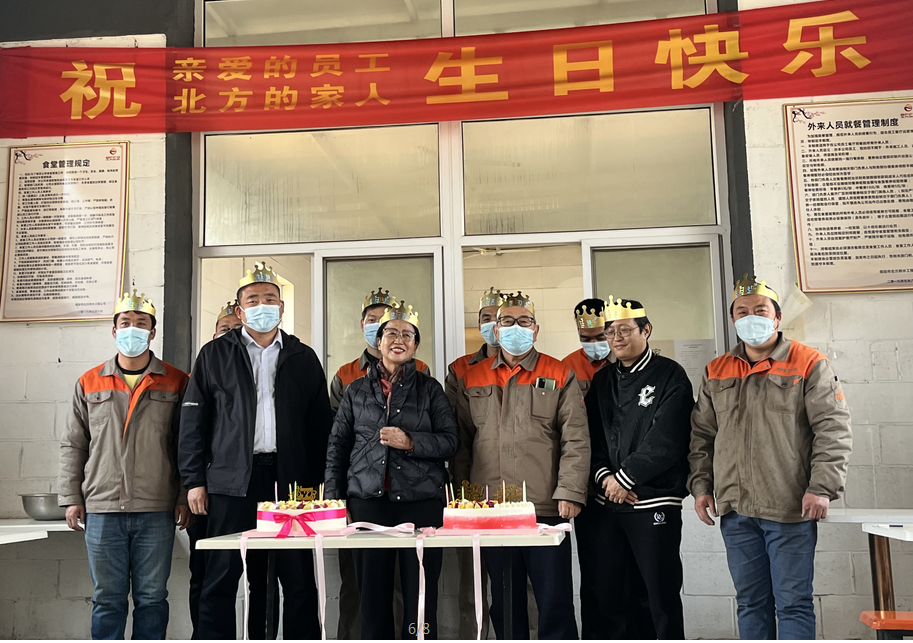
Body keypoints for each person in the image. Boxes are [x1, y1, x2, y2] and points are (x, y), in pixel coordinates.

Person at [689, 275, 852, 640]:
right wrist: (701, 487)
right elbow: (702, 436)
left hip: (789, 506)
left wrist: (822, 487)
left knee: (793, 603)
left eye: (760, 310)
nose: (751, 317)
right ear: (733, 319)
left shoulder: (808, 363)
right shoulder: (716, 370)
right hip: (736, 509)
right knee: (750, 602)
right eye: (742, 311)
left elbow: (833, 430)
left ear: (777, 317)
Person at [179, 262, 333, 640]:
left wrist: (321, 484)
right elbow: (193, 424)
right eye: (253, 300)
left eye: (269, 299)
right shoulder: (214, 355)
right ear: (239, 309)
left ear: (282, 307)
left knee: (297, 579)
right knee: (221, 576)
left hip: (291, 485)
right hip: (232, 482)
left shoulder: (303, 357)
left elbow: (320, 428)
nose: (262, 305)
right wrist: (194, 480)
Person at [454, 291, 589, 640]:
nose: (516, 327)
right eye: (508, 321)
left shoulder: (559, 373)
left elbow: (575, 438)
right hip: (490, 507)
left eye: (524, 321)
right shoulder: (472, 377)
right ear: (496, 331)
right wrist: (463, 498)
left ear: (536, 329)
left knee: (554, 599)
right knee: (504, 601)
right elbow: (461, 443)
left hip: (544, 506)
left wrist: (570, 491)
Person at [58, 290, 191, 640]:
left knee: (152, 598)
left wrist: (182, 496)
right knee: (107, 598)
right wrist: (71, 497)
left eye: (141, 323)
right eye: (126, 323)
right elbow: (74, 444)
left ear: (153, 332)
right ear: (114, 331)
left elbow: (186, 445)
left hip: (156, 508)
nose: (133, 329)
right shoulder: (89, 382)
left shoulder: (176, 381)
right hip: (102, 509)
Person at [325, 301, 458, 640]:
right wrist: (334, 499)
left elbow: (450, 441)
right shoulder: (355, 390)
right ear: (378, 340)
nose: (399, 340)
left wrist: (411, 442)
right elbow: (337, 446)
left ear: (416, 345)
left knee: (420, 598)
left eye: (407, 335)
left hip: (421, 502)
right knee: (372, 599)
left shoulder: (430, 389)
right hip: (367, 503)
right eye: (391, 333)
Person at [581, 297, 694, 639]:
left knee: (657, 595)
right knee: (608, 594)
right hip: (606, 503)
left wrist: (626, 478)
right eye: (610, 332)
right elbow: (591, 437)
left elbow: (667, 439)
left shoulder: (670, 375)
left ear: (646, 330)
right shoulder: (602, 380)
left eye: (625, 330)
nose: (616, 338)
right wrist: (606, 478)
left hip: (652, 500)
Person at [444, 287, 502, 641]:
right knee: (472, 583)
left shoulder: (544, 368)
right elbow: (456, 435)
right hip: (472, 491)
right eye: (485, 318)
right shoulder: (461, 369)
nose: (493, 324)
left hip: (521, 494)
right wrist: (460, 489)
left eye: (499, 317)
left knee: (522, 587)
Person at [185, 301, 243, 638]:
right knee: (205, 573)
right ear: (214, 334)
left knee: (236, 572)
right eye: (225, 329)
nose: (231, 334)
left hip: (235, 488)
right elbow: (187, 434)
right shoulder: (202, 370)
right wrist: (193, 482)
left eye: (237, 329)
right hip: (203, 491)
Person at [561, 298, 613, 396]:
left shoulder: (626, 360)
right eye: (586, 338)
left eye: (601, 337)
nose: (594, 343)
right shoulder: (568, 364)